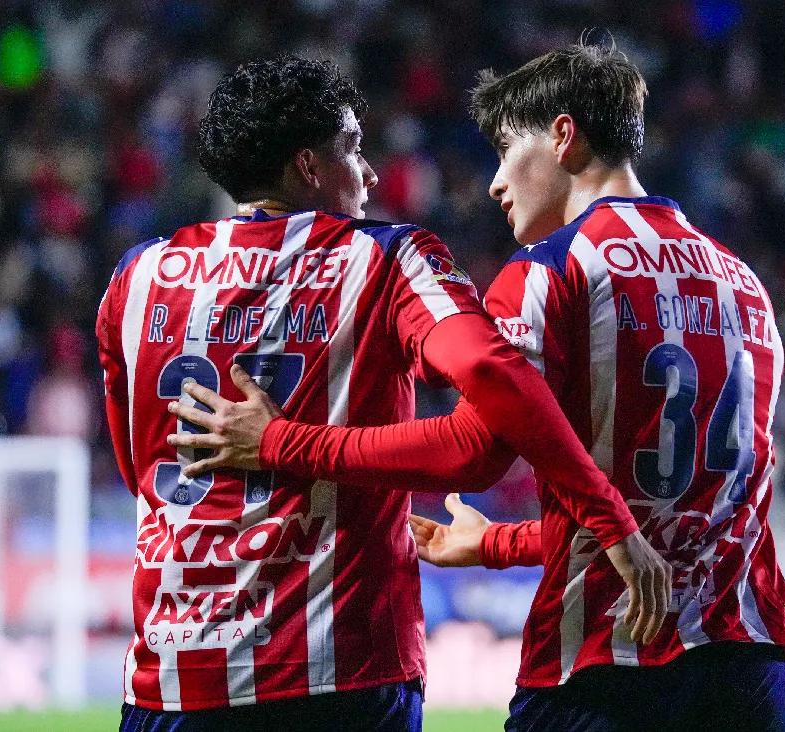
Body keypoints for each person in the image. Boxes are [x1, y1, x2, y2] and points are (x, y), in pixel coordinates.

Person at [178, 42, 785, 730]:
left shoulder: (551, 271)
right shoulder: (743, 283)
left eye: (506, 151)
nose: (497, 183)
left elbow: (473, 448)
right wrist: (499, 544)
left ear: (562, 136)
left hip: (606, 662)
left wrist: (283, 441)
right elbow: (682, 517)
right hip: (746, 663)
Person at [97, 55, 667, 731]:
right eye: (353, 149)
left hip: (174, 676)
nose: (369, 174)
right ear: (309, 166)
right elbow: (489, 381)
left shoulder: (136, 277)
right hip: (340, 674)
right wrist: (608, 513)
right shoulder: (388, 258)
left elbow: (139, 469)